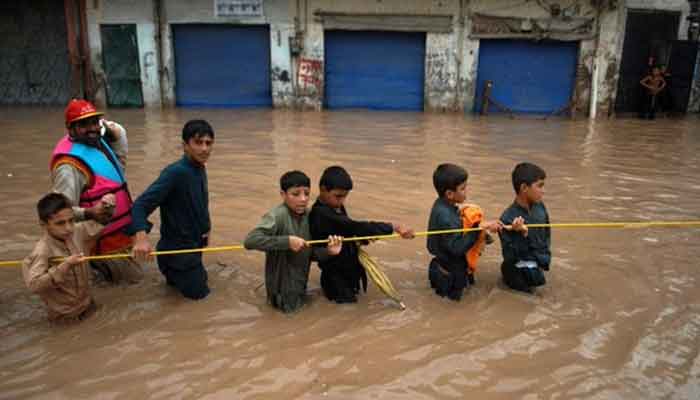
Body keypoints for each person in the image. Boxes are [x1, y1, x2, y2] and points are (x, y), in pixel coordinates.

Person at [50, 99, 142, 284]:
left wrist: (105, 128)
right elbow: (59, 212)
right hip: (103, 247)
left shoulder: (99, 142)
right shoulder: (69, 167)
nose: (91, 128)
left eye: (94, 122)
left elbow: (119, 134)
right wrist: (90, 212)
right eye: (83, 124)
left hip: (122, 236)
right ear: (71, 129)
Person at [130, 120, 214, 300]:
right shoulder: (175, 173)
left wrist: (205, 230)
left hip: (191, 249)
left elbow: (196, 204)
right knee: (202, 302)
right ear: (185, 145)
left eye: (208, 143)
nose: (205, 148)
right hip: (178, 255)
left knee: (179, 296)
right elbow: (139, 206)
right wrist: (141, 238)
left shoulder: (199, 168)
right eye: (198, 143)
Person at [309, 166, 414, 304]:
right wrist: (393, 226)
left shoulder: (334, 206)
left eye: (345, 196)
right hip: (336, 277)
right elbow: (355, 227)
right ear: (323, 189)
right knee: (347, 311)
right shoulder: (321, 213)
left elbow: (347, 232)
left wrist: (364, 239)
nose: (342, 201)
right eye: (338, 196)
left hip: (347, 270)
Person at [244, 171, 343, 313]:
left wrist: (329, 251)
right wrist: (287, 241)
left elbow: (310, 253)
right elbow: (250, 240)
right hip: (280, 290)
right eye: (296, 194)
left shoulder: (310, 216)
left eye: (307, 194)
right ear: (283, 195)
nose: (303, 199)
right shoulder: (277, 216)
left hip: (300, 284)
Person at [22, 192, 114, 323]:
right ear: (44, 224)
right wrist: (65, 266)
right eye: (60, 223)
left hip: (89, 305)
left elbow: (100, 224)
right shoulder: (42, 250)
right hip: (65, 317)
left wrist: (108, 209)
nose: (68, 228)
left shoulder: (77, 232)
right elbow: (34, 285)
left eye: (71, 221)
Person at [427, 163, 503, 301]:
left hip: (442, 266)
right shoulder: (446, 217)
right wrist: (479, 229)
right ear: (449, 194)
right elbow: (457, 248)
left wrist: (479, 229)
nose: (466, 192)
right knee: (455, 309)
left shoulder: (442, 204)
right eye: (463, 188)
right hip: (450, 275)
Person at [498, 162, 551, 294]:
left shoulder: (540, 206)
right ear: (524, 188)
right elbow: (510, 257)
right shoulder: (507, 219)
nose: (543, 191)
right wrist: (520, 235)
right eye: (540, 186)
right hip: (518, 276)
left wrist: (544, 259)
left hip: (536, 267)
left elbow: (546, 235)